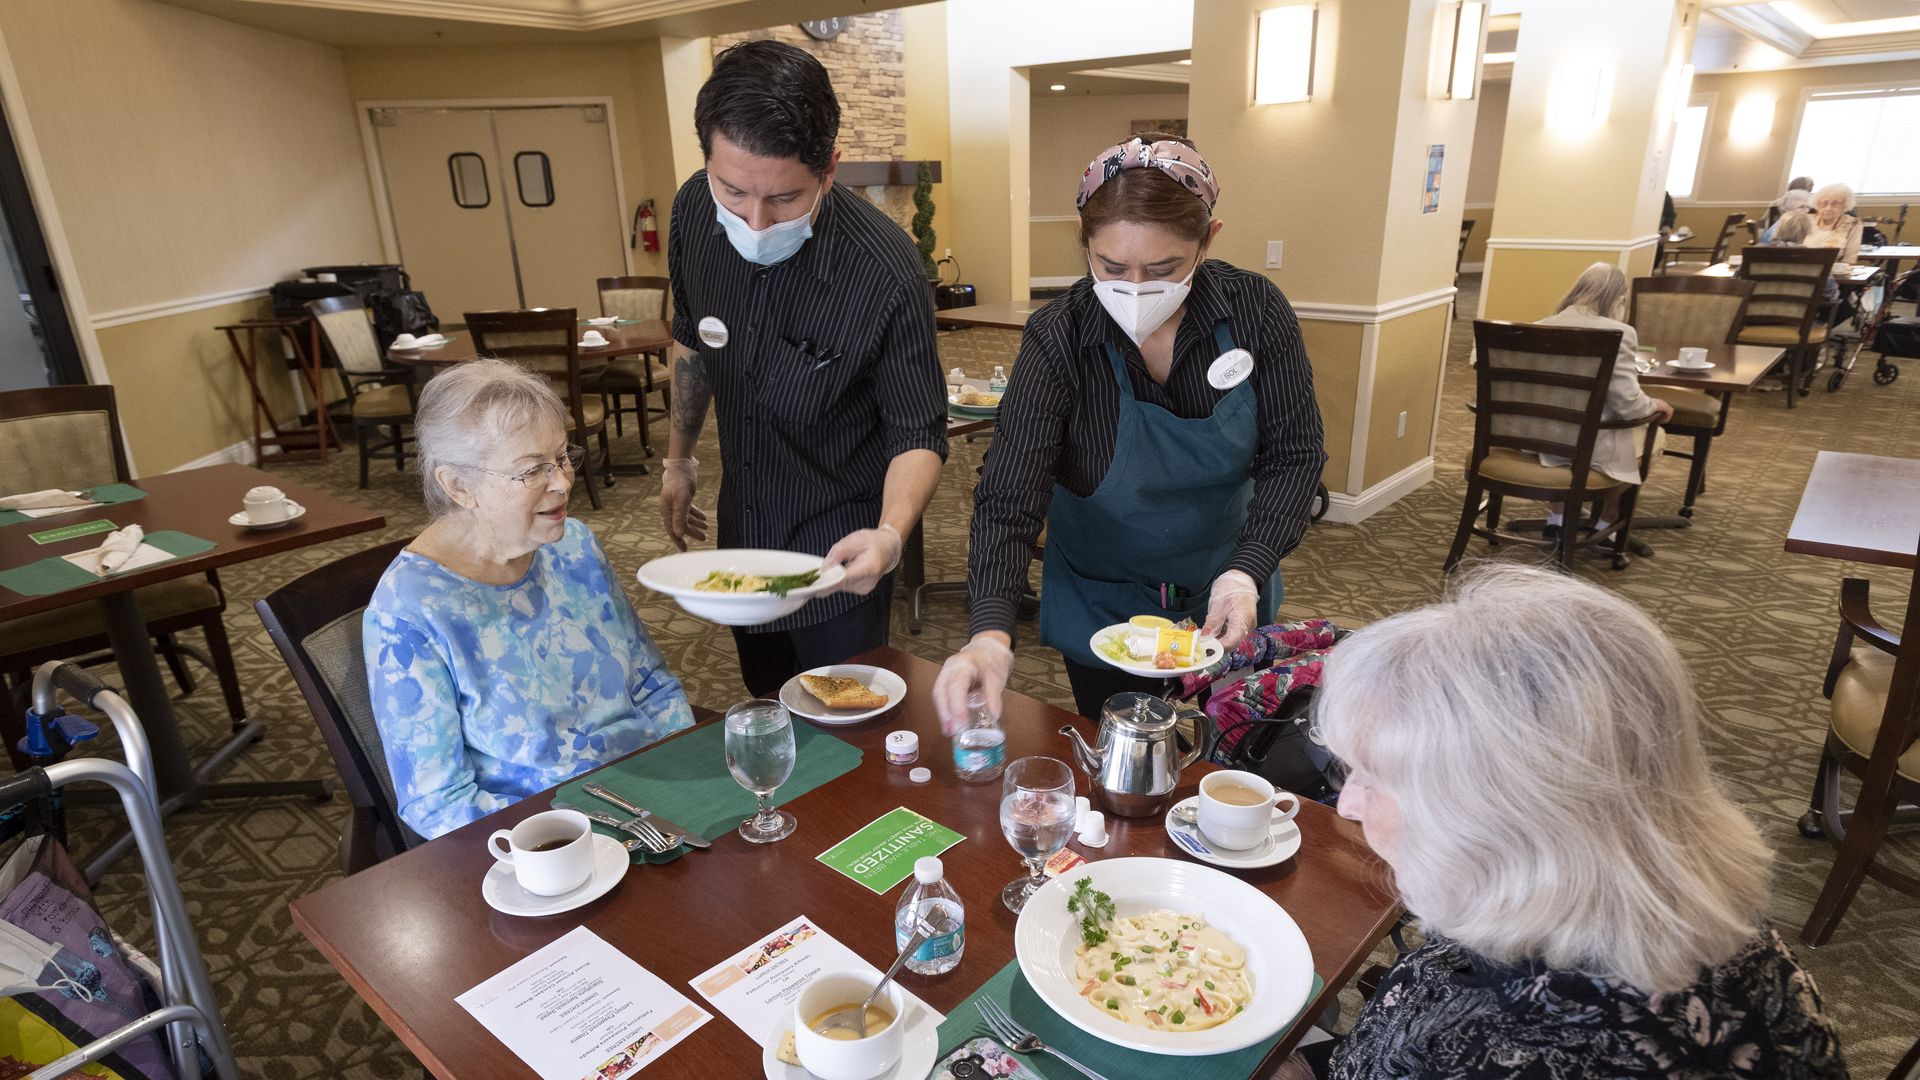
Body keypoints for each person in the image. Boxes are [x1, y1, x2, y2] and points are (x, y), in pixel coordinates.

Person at [1304, 565, 1847, 1079]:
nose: (1348, 805)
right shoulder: (1635, 898)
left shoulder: (1533, 1056)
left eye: (1373, 780)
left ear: (1496, 821)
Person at [933, 134, 1326, 726]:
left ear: (1208, 241)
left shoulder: (1254, 311)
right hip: (1104, 601)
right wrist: (989, 631)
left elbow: (1295, 455)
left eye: (1163, 268)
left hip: (1228, 585)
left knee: (1231, 747)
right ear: (1084, 243)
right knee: (1127, 750)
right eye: (1112, 267)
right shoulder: (1059, 338)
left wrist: (1247, 570)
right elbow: (1008, 498)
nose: (1137, 288)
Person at [660, 40, 947, 697]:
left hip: (838, 554)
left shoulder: (886, 270)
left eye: (785, 199)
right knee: (767, 703)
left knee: (846, 733)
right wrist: (679, 461)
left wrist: (890, 534)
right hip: (745, 538)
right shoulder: (690, 212)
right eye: (733, 190)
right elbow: (691, 340)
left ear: (829, 168)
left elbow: (918, 432)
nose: (755, 221)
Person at [365, 360, 694, 840]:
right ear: (458, 486)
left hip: (654, 798)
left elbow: (650, 684)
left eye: (561, 457)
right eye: (532, 470)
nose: (562, 482)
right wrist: (577, 841)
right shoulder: (409, 613)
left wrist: (687, 762)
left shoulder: (573, 545)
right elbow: (437, 804)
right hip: (549, 840)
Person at [1532, 263, 1671, 539]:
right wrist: (1656, 404)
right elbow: (1629, 406)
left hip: (1538, 438)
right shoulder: (1619, 333)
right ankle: (1606, 525)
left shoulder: (1539, 327)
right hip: (1589, 445)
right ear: (1619, 299)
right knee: (1654, 434)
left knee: (1567, 416)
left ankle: (1557, 519)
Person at [1806, 182, 1863, 267]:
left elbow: (1850, 258)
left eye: (1835, 204)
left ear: (1844, 206)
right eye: (1824, 204)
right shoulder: (1806, 221)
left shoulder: (1853, 224)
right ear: (1817, 205)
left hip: (1832, 273)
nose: (1828, 208)